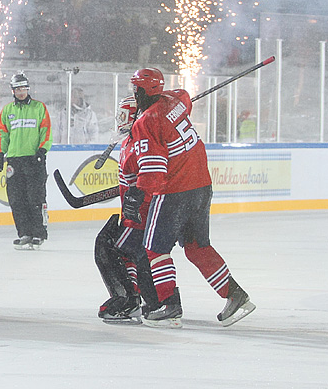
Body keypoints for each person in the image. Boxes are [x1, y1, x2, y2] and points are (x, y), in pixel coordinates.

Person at [127, 67, 255, 328]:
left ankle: (169, 306)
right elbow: (185, 95)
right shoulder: (174, 101)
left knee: (155, 248)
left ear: (142, 90)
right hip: (201, 186)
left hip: (174, 191)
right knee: (197, 247)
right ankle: (236, 296)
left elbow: (153, 171)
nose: (133, 92)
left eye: (135, 88)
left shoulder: (146, 122)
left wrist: (136, 193)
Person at [94, 95, 158, 324]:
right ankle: (134, 297)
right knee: (119, 247)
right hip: (136, 213)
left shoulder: (142, 139)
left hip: (144, 214)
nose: (120, 121)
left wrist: (137, 196)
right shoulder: (131, 140)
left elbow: (152, 175)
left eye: (124, 116)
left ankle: (130, 300)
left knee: (110, 246)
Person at [0, 72, 52, 249]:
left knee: (35, 198)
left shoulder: (39, 107)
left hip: (34, 159)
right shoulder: (7, 110)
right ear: (12, 91)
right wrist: (0, 153)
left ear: (28, 89)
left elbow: (46, 132)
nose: (21, 92)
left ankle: (39, 233)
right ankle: (24, 233)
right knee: (16, 199)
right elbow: (3, 135)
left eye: (24, 88)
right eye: (17, 89)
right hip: (14, 160)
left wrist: (42, 150)